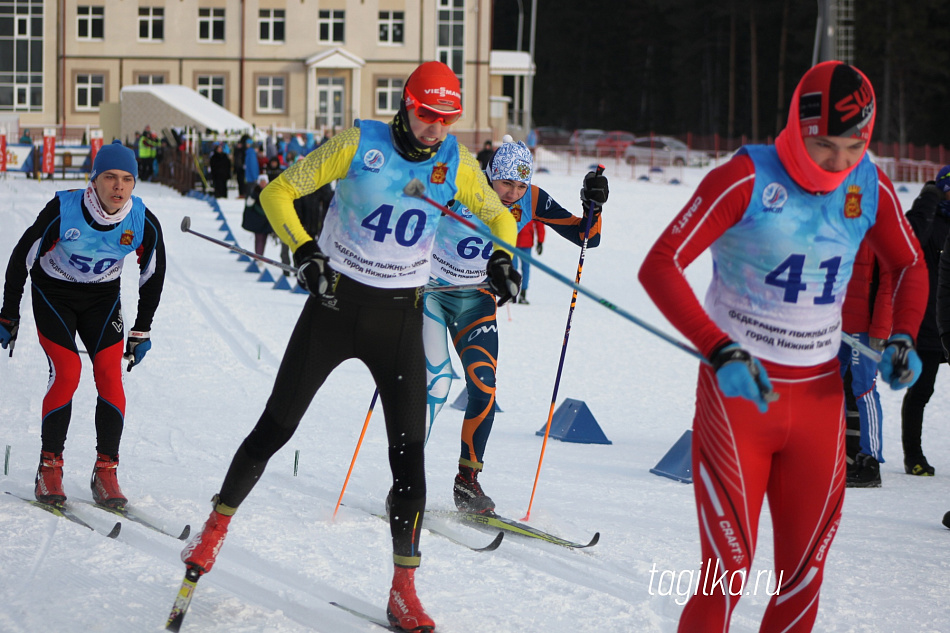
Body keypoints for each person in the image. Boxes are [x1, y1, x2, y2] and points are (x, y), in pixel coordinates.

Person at [179, 61, 519, 633]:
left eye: (446, 118)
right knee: (276, 427)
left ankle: (404, 590)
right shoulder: (360, 143)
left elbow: (498, 218)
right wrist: (305, 250)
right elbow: (279, 194)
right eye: (426, 114)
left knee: (409, 458)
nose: (435, 128)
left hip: (400, 320)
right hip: (334, 309)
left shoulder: (455, 163)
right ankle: (213, 533)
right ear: (406, 105)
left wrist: (502, 257)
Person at [638, 61, 927, 633]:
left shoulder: (868, 183)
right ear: (797, 124)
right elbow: (661, 265)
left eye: (853, 146)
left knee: (803, 576)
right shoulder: (746, 177)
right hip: (739, 398)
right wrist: (718, 348)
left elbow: (911, 263)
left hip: (819, 400)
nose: (837, 163)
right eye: (823, 145)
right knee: (727, 571)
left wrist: (903, 336)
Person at [421, 138, 605, 514]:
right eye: (506, 184)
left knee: (484, 388)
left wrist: (594, 205)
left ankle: (467, 482)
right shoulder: (464, 188)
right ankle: (406, 478)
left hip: (476, 300)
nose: (512, 194)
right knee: (434, 384)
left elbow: (587, 236)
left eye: (520, 186)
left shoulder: (530, 200)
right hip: (432, 293)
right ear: (490, 176)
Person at [0, 140, 166, 510]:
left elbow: (152, 274)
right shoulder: (65, 209)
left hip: (101, 301)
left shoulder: (141, 220)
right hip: (54, 296)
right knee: (68, 371)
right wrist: (8, 314)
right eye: (109, 177)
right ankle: (49, 466)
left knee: (109, 373)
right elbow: (20, 258)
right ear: (94, 180)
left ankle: (106, 470)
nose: (118, 187)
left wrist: (142, 329)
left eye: (127, 179)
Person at [837, 243, 892, 487]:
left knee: (864, 390)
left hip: (863, 328)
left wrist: (880, 330)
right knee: (825, 389)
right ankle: (828, 453)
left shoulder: (880, 232)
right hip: (836, 322)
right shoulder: (839, 223)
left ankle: (870, 461)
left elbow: (887, 286)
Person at [916, 165, 950, 475]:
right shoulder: (930, 222)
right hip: (928, 320)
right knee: (922, 390)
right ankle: (913, 454)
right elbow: (910, 241)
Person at [513, 219, 545, 304]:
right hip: (513, 242)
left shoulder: (531, 207)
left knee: (525, 268)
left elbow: (539, 224)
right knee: (513, 268)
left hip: (526, 243)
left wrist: (540, 242)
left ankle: (523, 293)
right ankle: (512, 292)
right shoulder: (513, 206)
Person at [241, 174, 272, 256]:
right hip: (257, 221)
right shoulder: (254, 192)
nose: (263, 184)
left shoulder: (271, 192)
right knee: (259, 239)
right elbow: (249, 205)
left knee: (263, 239)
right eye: (261, 182)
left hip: (266, 221)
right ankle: (258, 256)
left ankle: (260, 256)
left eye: (264, 182)